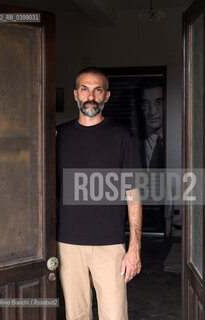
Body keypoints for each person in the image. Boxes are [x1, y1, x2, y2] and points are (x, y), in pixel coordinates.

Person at [56, 66, 142, 320]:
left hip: (110, 245)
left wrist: (134, 248)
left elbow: (133, 195)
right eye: (84, 89)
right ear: (75, 94)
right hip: (68, 244)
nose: (90, 96)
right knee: (76, 316)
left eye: (97, 90)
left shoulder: (123, 137)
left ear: (107, 96)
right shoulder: (58, 136)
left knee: (114, 315)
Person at [139, 78, 164, 168]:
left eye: (158, 102)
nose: (152, 112)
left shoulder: (182, 141)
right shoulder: (133, 143)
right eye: (146, 104)